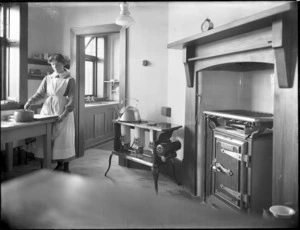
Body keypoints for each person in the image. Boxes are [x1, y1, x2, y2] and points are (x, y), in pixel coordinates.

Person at [24, 53, 75, 173]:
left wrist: (64, 114)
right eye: (52, 65)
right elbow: (40, 93)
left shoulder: (69, 80)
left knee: (63, 138)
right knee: (46, 136)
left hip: (62, 109)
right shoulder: (48, 78)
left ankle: (64, 165)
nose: (54, 67)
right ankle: (50, 164)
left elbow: (72, 99)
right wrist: (30, 101)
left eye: (57, 65)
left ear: (64, 64)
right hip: (48, 109)